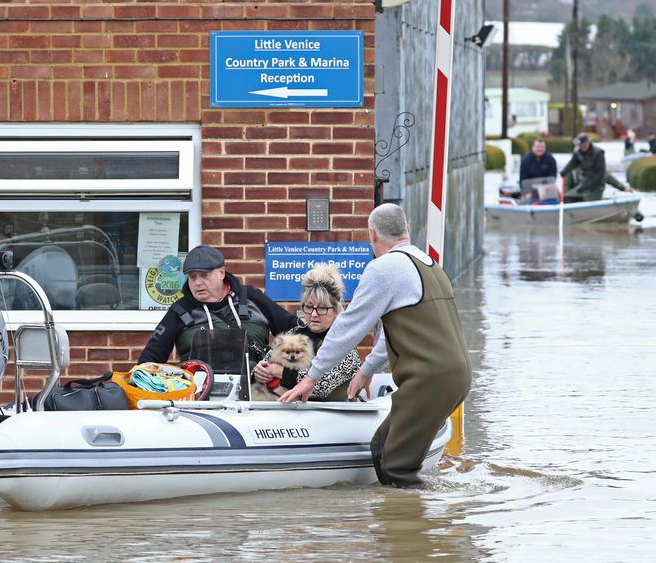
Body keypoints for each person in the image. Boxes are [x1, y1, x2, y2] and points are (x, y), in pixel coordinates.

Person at [280, 204, 472, 487]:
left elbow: (348, 327)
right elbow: (398, 332)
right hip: (457, 376)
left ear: (372, 235)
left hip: (429, 379)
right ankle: (394, 523)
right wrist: (367, 369)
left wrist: (311, 376)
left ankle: (416, 528)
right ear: (406, 229)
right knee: (381, 447)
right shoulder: (430, 264)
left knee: (396, 466)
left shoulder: (383, 269)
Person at [137, 244, 298, 365]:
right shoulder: (179, 311)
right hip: (199, 395)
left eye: (204, 275)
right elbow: (150, 359)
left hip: (256, 392)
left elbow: (298, 333)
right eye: (192, 277)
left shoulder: (251, 298)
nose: (197, 283)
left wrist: (282, 369)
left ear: (221, 273)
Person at [252, 264, 362, 401]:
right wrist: (260, 371)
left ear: (335, 310)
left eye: (322, 308)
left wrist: (279, 371)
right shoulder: (294, 333)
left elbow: (321, 385)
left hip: (334, 416)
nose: (314, 314)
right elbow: (267, 361)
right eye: (309, 307)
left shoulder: (345, 340)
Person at [560, 133, 633, 203]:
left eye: (584, 145)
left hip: (595, 187)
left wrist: (623, 188)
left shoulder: (598, 153)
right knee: (567, 197)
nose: (582, 148)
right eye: (580, 146)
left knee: (585, 198)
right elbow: (566, 184)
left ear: (588, 143)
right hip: (582, 186)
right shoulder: (576, 159)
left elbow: (604, 175)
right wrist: (564, 172)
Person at [518, 138, 558, 202]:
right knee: (524, 200)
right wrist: (527, 192)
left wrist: (546, 189)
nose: (540, 149)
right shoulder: (525, 160)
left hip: (546, 189)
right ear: (533, 147)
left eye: (542, 147)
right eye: (538, 147)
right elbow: (522, 178)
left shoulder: (550, 159)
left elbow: (553, 176)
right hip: (530, 190)